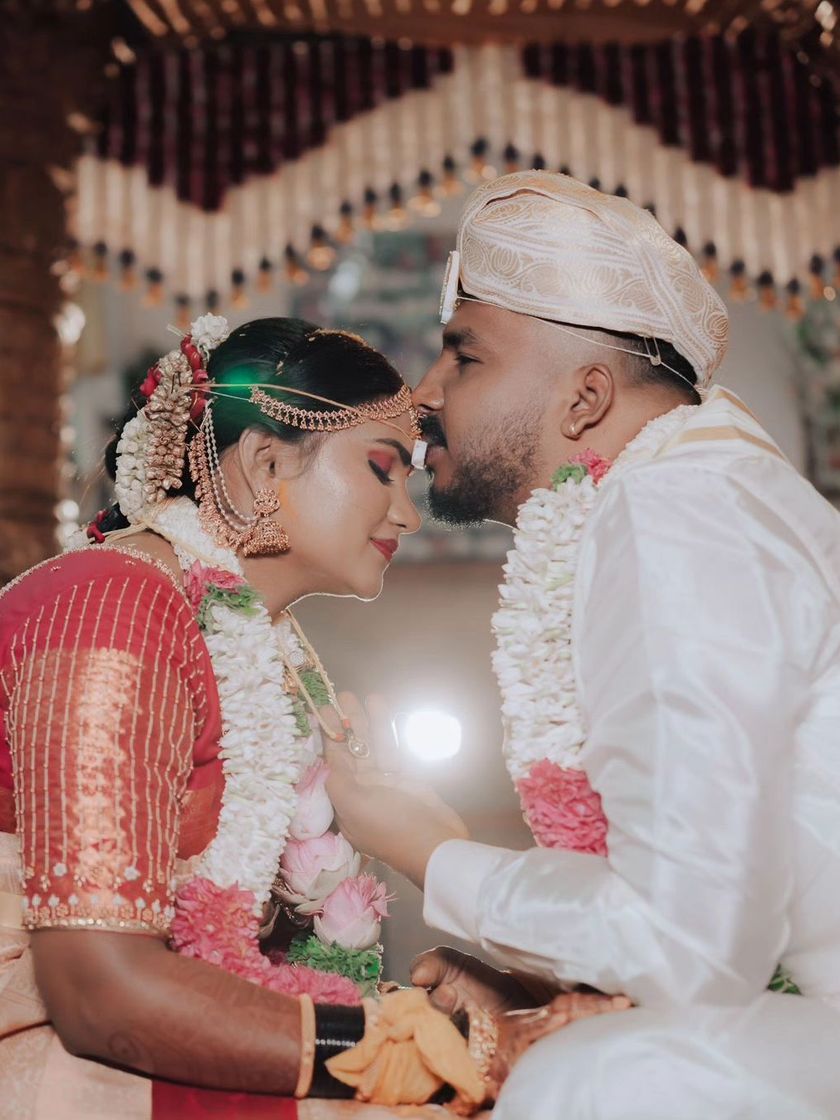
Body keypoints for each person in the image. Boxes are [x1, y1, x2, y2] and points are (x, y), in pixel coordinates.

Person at [0, 314, 621, 1118]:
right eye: (381, 468)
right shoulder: (109, 606)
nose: (407, 515)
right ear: (266, 462)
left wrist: (423, 1012)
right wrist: (407, 1050)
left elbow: (249, 961)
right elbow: (95, 989)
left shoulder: (267, 649)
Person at [324, 172, 840, 1119]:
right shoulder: (698, 492)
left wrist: (436, 852)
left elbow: (693, 946)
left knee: (588, 1080)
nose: (425, 393)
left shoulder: (676, 509)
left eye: (464, 355)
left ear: (585, 396)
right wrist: (541, 983)